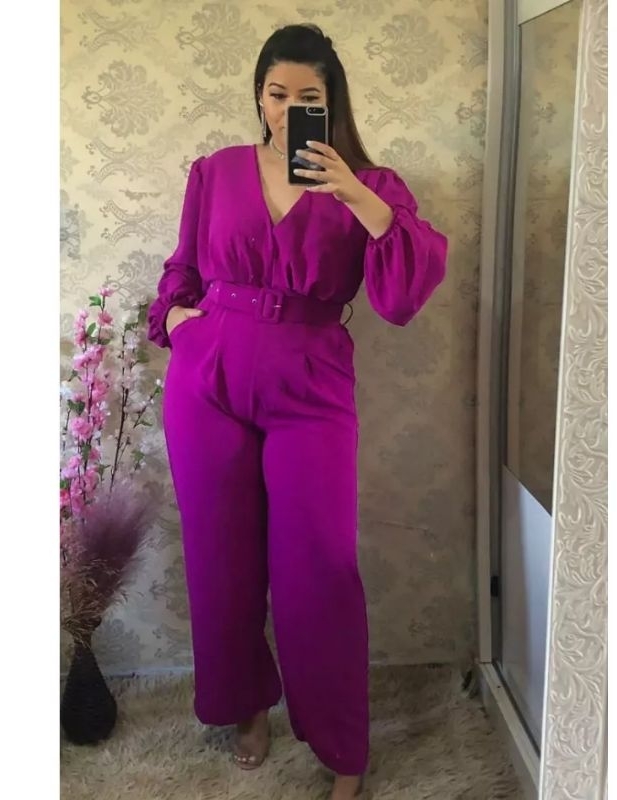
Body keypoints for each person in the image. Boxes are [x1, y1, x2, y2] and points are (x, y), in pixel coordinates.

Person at [147, 22, 448, 800]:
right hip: (209, 374)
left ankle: (343, 744)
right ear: (259, 97)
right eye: (276, 94)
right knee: (220, 555)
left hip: (311, 380)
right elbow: (183, 267)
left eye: (306, 96)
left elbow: (401, 297)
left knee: (320, 564)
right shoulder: (215, 172)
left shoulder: (373, 185)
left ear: (331, 100)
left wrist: (353, 193)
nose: (287, 109)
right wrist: (175, 318)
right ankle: (245, 704)